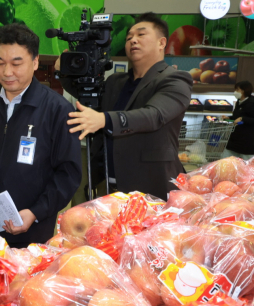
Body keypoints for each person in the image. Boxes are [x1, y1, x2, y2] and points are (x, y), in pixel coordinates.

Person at [0, 23, 81, 247]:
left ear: (35, 61)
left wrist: (36, 212)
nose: (7, 72)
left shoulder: (57, 110)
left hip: (33, 233)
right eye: (0, 62)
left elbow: (68, 174)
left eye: (16, 63)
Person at [58, 12, 193, 200]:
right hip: (107, 183)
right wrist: (65, 71)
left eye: (141, 35)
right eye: (129, 37)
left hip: (151, 186)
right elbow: (90, 101)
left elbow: (154, 116)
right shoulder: (115, 81)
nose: (133, 40)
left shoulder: (175, 79)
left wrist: (104, 120)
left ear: (162, 43)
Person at [224, 81, 254, 160]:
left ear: (243, 90)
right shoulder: (239, 102)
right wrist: (229, 118)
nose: (235, 92)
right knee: (225, 161)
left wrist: (243, 119)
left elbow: (246, 119)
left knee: (247, 165)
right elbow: (237, 117)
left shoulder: (252, 102)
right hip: (236, 138)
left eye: (237, 89)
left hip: (248, 140)